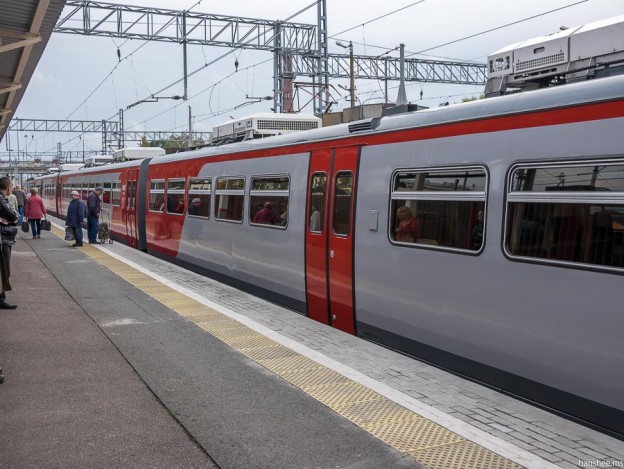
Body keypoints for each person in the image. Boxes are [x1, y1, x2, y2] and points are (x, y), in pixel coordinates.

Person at [0, 177, 19, 309]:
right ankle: (1, 299)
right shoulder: (1, 199)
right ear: (8, 187)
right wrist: (13, 219)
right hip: (3, 238)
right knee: (4, 269)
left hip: (4, 237)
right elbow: (14, 216)